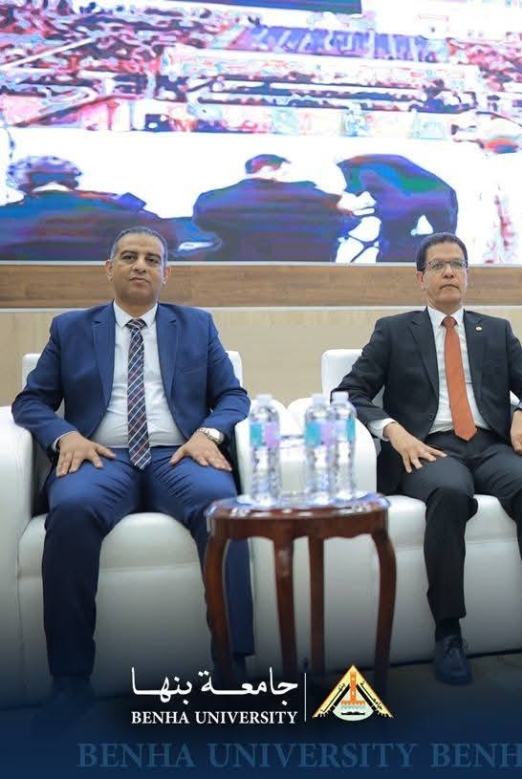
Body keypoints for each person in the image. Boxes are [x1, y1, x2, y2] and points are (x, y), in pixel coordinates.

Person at [11, 227, 254, 720]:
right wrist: (66, 436)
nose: (141, 265)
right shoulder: (72, 328)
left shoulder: (197, 325)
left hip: (178, 454)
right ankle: (70, 681)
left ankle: (233, 668)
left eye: (152, 259)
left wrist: (208, 434)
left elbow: (233, 396)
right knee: (72, 511)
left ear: (166, 272)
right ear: (109, 268)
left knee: (224, 513)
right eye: (129, 257)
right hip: (102, 455)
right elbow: (30, 401)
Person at [333, 232, 522, 685]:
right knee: (449, 493)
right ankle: (448, 633)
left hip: (490, 445)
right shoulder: (394, 330)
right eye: (439, 266)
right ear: (420, 278)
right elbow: (347, 393)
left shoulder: (495, 329)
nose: (449, 272)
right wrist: (393, 432)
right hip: (427, 447)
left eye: (458, 265)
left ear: (467, 275)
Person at [0, 156, 177, 262]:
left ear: (19, 182)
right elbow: (168, 240)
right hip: (105, 301)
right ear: (73, 179)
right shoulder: (120, 211)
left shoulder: (5, 217)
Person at [192, 154, 349, 263]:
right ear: (267, 171)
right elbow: (341, 221)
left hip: (234, 272)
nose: (291, 179)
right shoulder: (311, 196)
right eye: (285, 173)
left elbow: (202, 228)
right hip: (303, 274)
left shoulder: (209, 199)